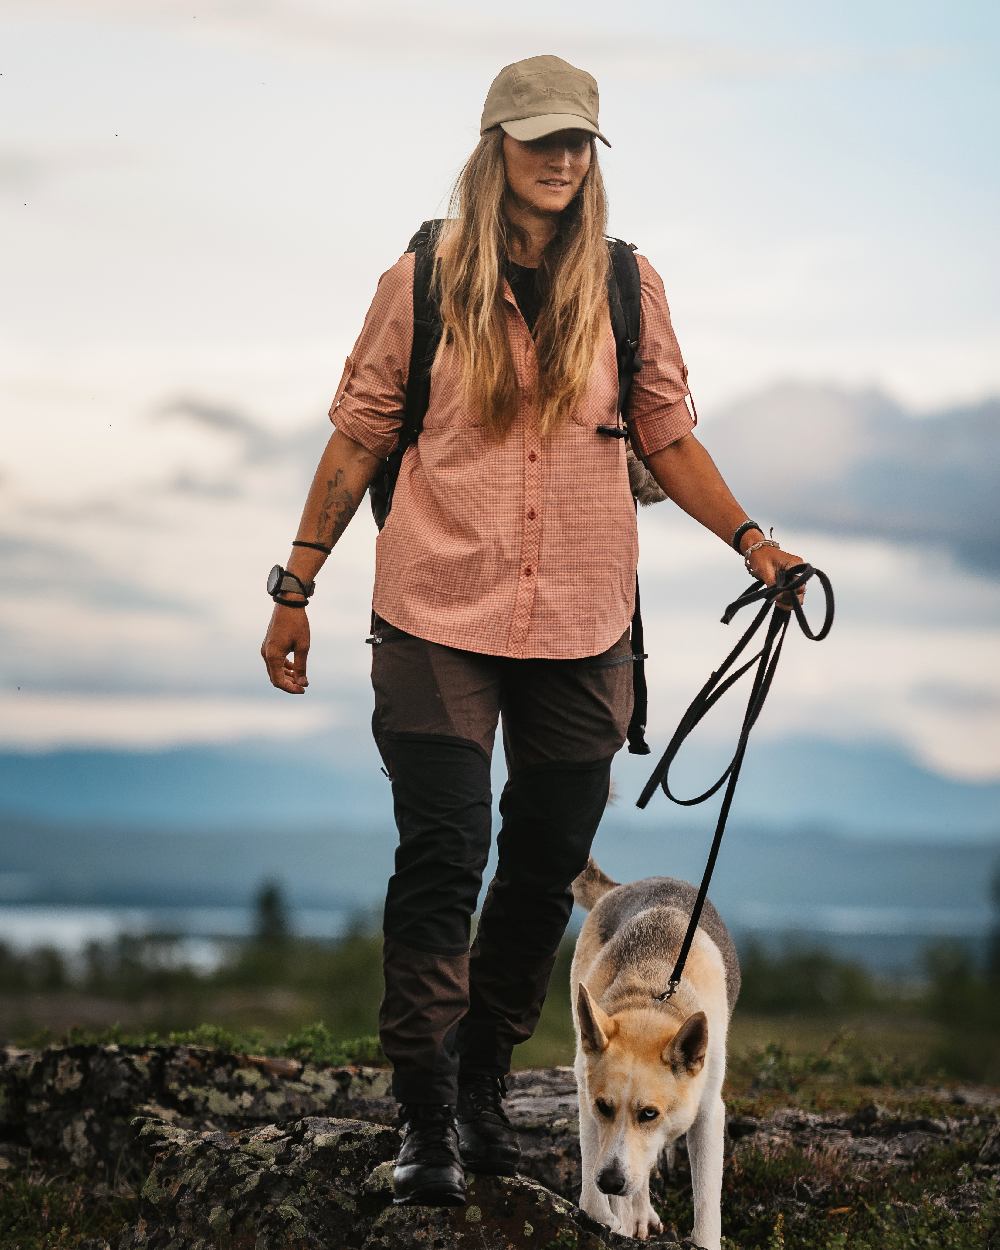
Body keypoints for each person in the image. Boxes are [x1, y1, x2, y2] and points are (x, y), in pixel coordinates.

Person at [261, 53, 806, 1207]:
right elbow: (359, 434)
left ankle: (482, 1074)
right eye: (539, 137)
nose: (560, 158)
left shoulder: (626, 286)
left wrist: (755, 542)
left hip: (582, 617)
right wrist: (295, 584)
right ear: (495, 145)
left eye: (576, 142)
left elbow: (666, 436)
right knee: (444, 852)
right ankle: (425, 1115)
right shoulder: (420, 279)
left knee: (547, 862)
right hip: (433, 611)